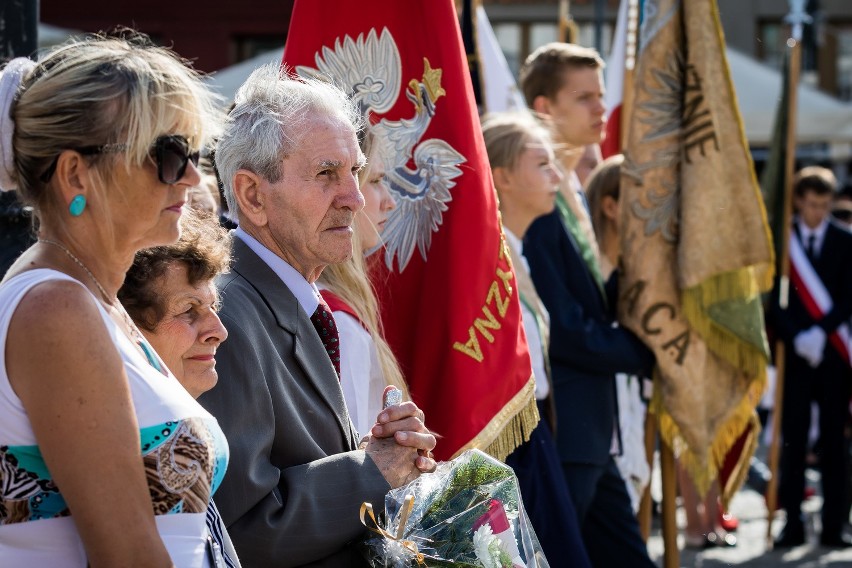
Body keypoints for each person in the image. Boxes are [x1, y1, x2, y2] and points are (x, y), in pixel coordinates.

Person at [0, 33, 226, 566]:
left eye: (193, 153)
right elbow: (127, 555)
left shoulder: (88, 297)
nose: (192, 177)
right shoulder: (55, 307)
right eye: (169, 155)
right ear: (77, 173)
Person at [199, 64, 437, 567]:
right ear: (252, 196)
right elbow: (242, 529)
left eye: (354, 171)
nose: (353, 198)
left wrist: (381, 452)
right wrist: (373, 468)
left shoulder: (291, 296)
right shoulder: (225, 317)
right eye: (327, 174)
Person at [519, 42, 657, 567]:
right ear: (544, 109)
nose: (602, 108)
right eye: (584, 98)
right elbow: (565, 327)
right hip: (567, 429)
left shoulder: (574, 191)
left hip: (597, 433)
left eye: (601, 95)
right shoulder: (539, 198)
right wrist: (647, 349)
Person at [482, 111, 592, 567]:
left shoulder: (519, 250)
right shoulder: (488, 259)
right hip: (508, 447)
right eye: (542, 165)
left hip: (536, 432)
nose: (556, 176)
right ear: (502, 176)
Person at [119, 208, 240, 567]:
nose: (218, 330)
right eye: (188, 309)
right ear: (127, 327)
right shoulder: (117, 445)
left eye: (213, 306)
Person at [772, 166, 852, 548]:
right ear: (799, 200)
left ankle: (835, 524)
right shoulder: (781, 241)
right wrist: (796, 335)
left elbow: (849, 296)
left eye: (824, 204)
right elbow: (774, 298)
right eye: (812, 204)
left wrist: (821, 331)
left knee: (835, 444)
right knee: (794, 443)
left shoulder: (845, 240)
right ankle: (793, 522)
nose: (818, 212)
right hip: (796, 357)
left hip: (834, 355)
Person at [316, 131, 409, 437]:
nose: (390, 202)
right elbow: (355, 453)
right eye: (376, 180)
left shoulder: (338, 312)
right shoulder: (337, 322)